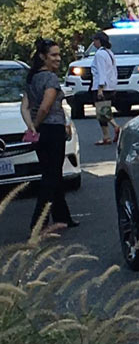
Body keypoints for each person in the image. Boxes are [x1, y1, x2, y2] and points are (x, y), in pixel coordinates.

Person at [24, 38, 78, 230]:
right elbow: (46, 107)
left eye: (58, 54)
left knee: (52, 173)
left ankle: (63, 217)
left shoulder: (31, 78)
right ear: (42, 57)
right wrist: (37, 125)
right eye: (53, 55)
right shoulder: (50, 79)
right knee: (51, 176)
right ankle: (38, 223)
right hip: (52, 130)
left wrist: (31, 127)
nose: (58, 58)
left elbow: (25, 107)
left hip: (41, 131)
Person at [91, 31, 120, 145]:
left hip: (102, 86)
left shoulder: (99, 54)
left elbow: (101, 72)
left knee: (102, 111)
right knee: (103, 111)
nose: (93, 43)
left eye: (94, 40)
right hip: (111, 85)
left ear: (99, 41)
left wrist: (100, 88)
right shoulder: (109, 53)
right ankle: (106, 136)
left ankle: (115, 127)